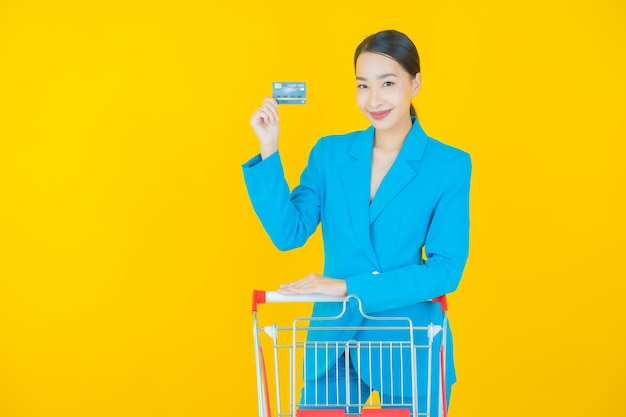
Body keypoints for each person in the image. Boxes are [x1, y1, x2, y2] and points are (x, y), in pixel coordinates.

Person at [243, 29, 471, 416]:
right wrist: (269, 148)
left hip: (406, 344)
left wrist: (346, 286)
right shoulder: (329, 153)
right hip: (333, 344)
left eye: (388, 83)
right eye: (363, 85)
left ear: (415, 83)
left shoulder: (449, 164)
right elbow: (289, 233)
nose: (374, 99)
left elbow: (445, 270)